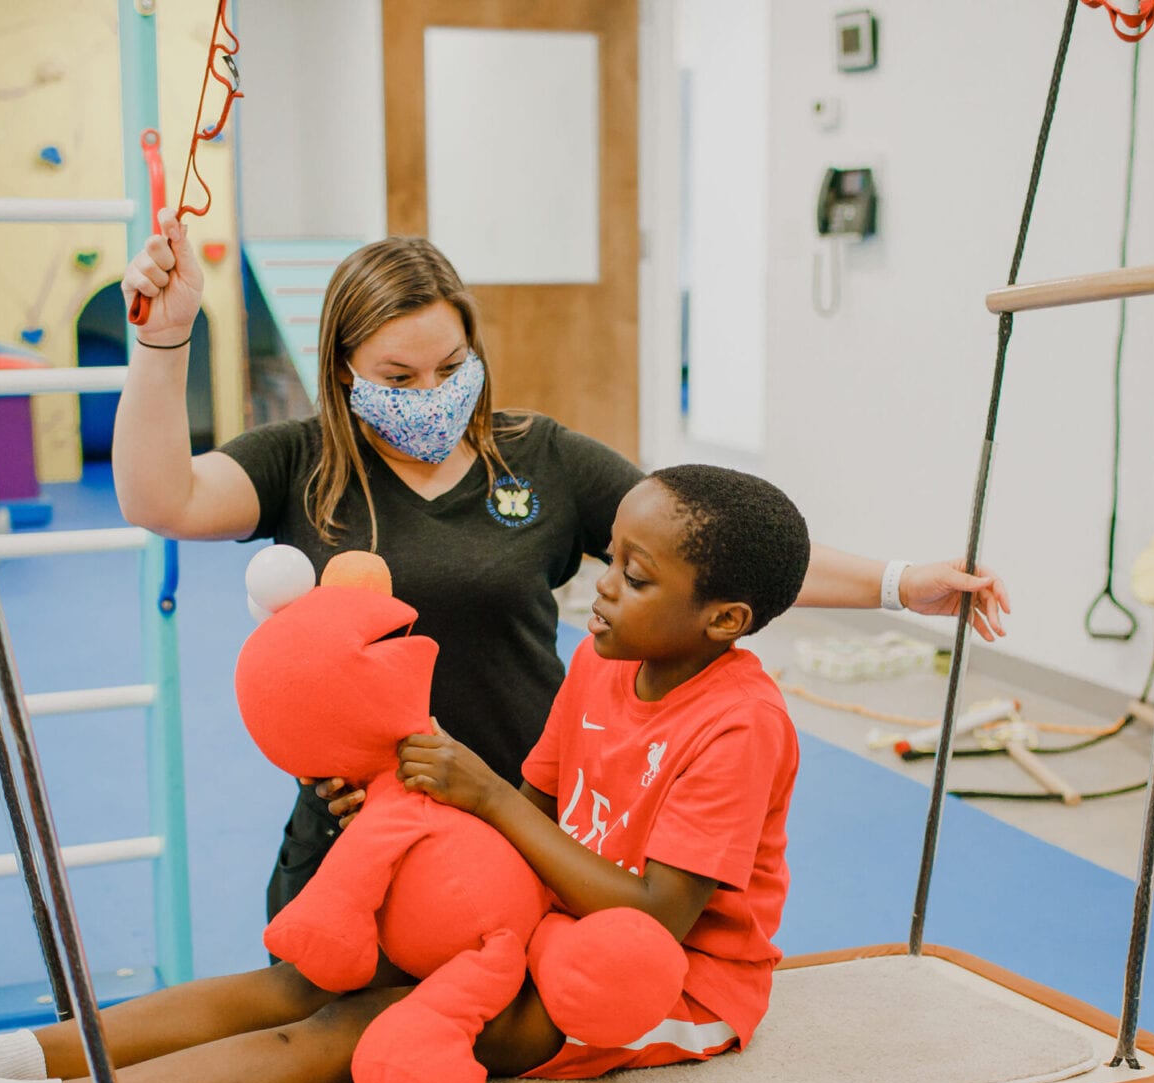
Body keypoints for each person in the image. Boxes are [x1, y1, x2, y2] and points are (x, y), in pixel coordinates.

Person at [0, 463, 811, 1083]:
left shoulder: (740, 726)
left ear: (724, 618)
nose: (602, 585)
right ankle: (14, 1055)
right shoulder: (607, 663)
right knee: (304, 979)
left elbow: (657, 917)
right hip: (548, 922)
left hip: (662, 989)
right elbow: (544, 808)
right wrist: (424, 821)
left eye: (635, 577)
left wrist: (486, 802)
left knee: (359, 1024)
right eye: (609, 557)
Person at [110, 222, 1010, 924]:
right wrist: (166, 341)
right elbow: (163, 499)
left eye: (452, 367)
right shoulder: (301, 462)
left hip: (530, 820)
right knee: (330, 1046)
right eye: (398, 373)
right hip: (359, 824)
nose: (430, 393)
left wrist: (902, 585)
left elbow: (723, 550)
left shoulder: (535, 457)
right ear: (344, 368)